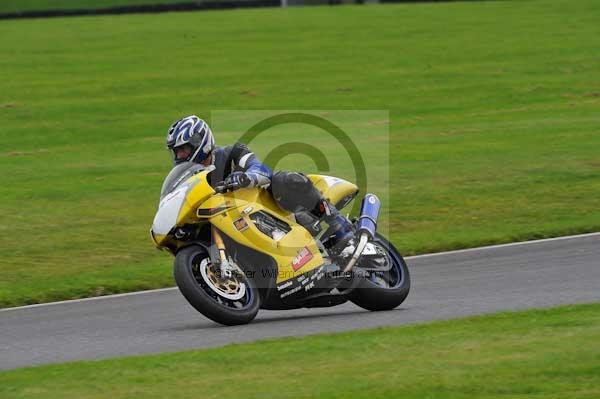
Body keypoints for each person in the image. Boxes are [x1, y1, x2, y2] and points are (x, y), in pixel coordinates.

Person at [165, 115, 354, 252]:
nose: (180, 155)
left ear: (201, 141)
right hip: (233, 223)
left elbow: (261, 168)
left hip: (269, 209)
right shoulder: (190, 178)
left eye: (184, 149)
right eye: (176, 151)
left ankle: (338, 223)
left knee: (282, 179)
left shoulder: (232, 153)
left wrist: (245, 178)